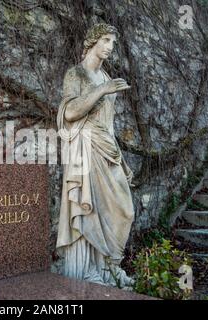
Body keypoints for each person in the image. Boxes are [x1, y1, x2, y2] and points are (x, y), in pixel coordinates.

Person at [56, 23, 135, 288]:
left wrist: (121, 159)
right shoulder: (76, 73)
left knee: (123, 210)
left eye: (113, 41)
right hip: (85, 146)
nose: (111, 46)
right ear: (93, 42)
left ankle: (111, 267)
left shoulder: (105, 77)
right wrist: (102, 90)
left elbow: (109, 124)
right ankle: (88, 270)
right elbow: (69, 112)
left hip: (106, 147)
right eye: (106, 40)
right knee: (89, 209)